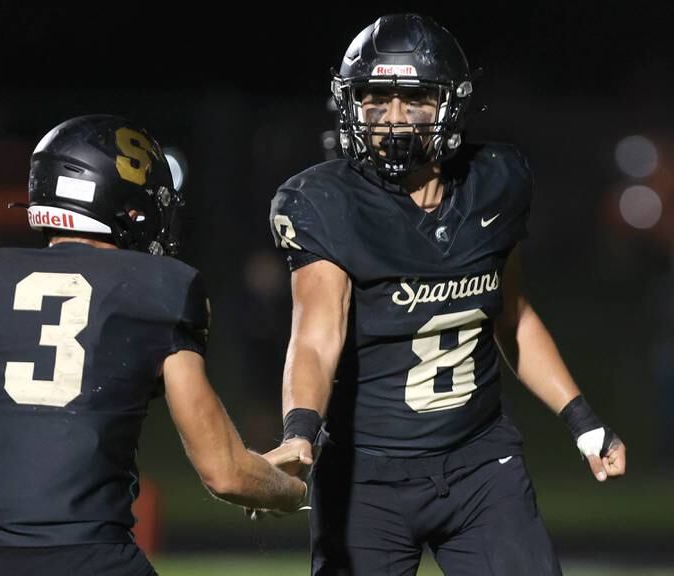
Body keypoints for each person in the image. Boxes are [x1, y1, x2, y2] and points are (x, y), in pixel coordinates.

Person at [265, 14, 627, 576]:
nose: (391, 119)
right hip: (369, 478)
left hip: (481, 466)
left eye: (412, 100)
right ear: (350, 105)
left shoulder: (496, 181)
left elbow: (513, 316)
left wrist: (582, 419)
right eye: (375, 100)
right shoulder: (325, 202)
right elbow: (317, 335)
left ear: (448, 105)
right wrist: (298, 434)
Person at [0, 114, 306, 576]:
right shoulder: (158, 289)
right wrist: (293, 493)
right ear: (126, 203)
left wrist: (1, 527)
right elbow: (225, 472)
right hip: (88, 559)